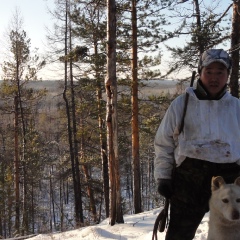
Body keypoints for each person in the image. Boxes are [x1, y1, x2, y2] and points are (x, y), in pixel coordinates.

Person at [154, 49, 240, 240]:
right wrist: (163, 177)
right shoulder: (181, 104)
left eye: (220, 72)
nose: (214, 78)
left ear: (228, 75)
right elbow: (164, 143)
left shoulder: (236, 107)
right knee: (179, 235)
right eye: (209, 71)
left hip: (229, 178)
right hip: (189, 180)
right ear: (200, 72)